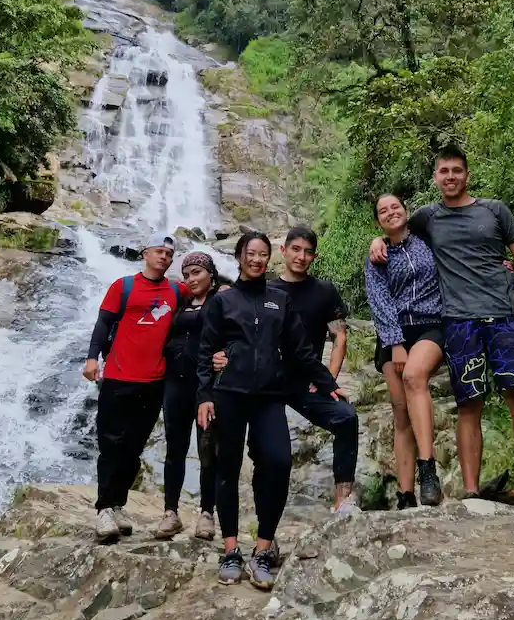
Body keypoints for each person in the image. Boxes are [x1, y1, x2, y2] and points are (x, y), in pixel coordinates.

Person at [369, 146, 514, 517]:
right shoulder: (428, 217)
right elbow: (394, 231)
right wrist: (375, 241)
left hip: (504, 316)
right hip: (458, 322)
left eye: (457, 170)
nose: (451, 177)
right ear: (436, 177)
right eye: (444, 171)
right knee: (468, 405)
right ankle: (471, 491)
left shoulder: (494, 210)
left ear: (467, 174)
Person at [196, 232, 342, 590]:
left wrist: (327, 383)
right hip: (228, 393)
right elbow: (204, 351)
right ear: (240, 256)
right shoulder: (222, 301)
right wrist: (204, 396)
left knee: (278, 462)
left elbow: (300, 351)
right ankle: (231, 550)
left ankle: (262, 550)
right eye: (251, 254)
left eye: (263, 254)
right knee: (226, 468)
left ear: (269, 258)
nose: (257, 260)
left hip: (267, 396)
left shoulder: (280, 301)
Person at [84, 232, 188, 542]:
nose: (164, 258)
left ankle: (118, 505)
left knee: (133, 448)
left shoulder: (176, 290)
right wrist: (92, 358)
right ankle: (103, 509)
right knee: (111, 444)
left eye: (169, 254)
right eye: (159, 252)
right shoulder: (123, 286)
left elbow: (206, 298)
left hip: (154, 382)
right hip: (118, 376)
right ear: (145, 253)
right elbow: (103, 324)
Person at [270, 225, 359, 515]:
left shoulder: (324, 291)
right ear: (283, 251)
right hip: (268, 381)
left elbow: (340, 337)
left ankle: (342, 500)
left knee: (346, 417)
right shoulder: (266, 289)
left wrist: (328, 381)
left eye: (308, 252)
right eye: (295, 249)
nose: (301, 256)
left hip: (307, 380)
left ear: (315, 257)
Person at [365, 195, 444, 509]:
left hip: (430, 324)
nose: (390, 212)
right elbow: (379, 300)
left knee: (413, 376)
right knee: (401, 416)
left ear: (406, 211)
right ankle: (406, 494)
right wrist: (395, 343)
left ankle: (428, 469)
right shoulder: (377, 257)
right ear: (378, 222)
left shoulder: (426, 238)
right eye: (383, 211)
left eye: (395, 206)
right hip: (393, 333)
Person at [155, 251, 220, 542]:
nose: (191, 279)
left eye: (197, 272)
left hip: (206, 386)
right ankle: (171, 512)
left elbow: (237, 335)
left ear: (210, 274)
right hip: (175, 383)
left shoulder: (222, 302)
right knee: (175, 448)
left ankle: (207, 513)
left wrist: (228, 354)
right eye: (187, 274)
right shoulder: (181, 303)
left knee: (208, 449)